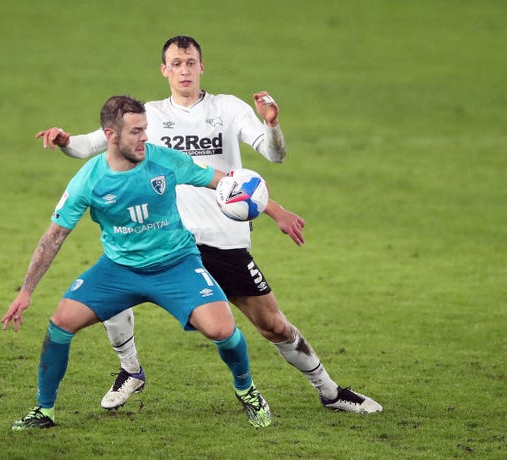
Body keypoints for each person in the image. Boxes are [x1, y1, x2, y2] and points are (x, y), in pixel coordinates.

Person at [37, 36, 382, 414]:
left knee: (273, 326)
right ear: (164, 70)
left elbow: (272, 155)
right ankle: (130, 369)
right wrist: (64, 140)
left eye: (190, 62)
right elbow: (89, 144)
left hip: (224, 241)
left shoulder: (228, 108)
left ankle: (329, 392)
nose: (184, 70)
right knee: (113, 286)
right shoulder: (148, 117)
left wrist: (272, 127)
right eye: (176, 63)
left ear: (202, 67)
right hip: (168, 241)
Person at [2, 95, 272, 430]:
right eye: (135, 132)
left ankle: (246, 390)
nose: (145, 137)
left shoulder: (165, 161)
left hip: (177, 264)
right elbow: (54, 236)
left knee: (223, 329)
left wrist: (268, 205)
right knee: (60, 322)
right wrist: (26, 292)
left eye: (145, 129)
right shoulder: (89, 179)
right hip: (119, 269)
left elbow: (225, 183)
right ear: (111, 136)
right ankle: (43, 411)